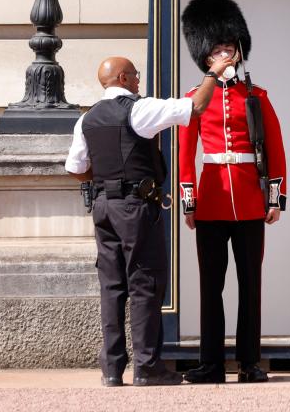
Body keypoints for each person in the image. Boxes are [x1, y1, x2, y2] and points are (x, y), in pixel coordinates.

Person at [65, 54, 235, 387]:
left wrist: (107, 177)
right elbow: (196, 107)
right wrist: (213, 73)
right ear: (125, 79)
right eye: (136, 76)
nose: (139, 81)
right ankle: (147, 366)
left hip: (103, 206)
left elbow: (76, 169)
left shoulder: (86, 118)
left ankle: (112, 369)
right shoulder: (138, 110)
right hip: (135, 207)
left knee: (112, 287)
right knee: (145, 283)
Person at [178, 0, 287, 385]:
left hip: (250, 200)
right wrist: (189, 202)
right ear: (206, 57)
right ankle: (210, 363)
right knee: (211, 286)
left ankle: (249, 362)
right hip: (210, 200)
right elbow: (185, 154)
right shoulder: (194, 100)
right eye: (218, 49)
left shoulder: (257, 97)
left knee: (250, 285)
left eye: (230, 48)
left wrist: (275, 199)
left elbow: (275, 149)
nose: (226, 54)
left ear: (239, 53)